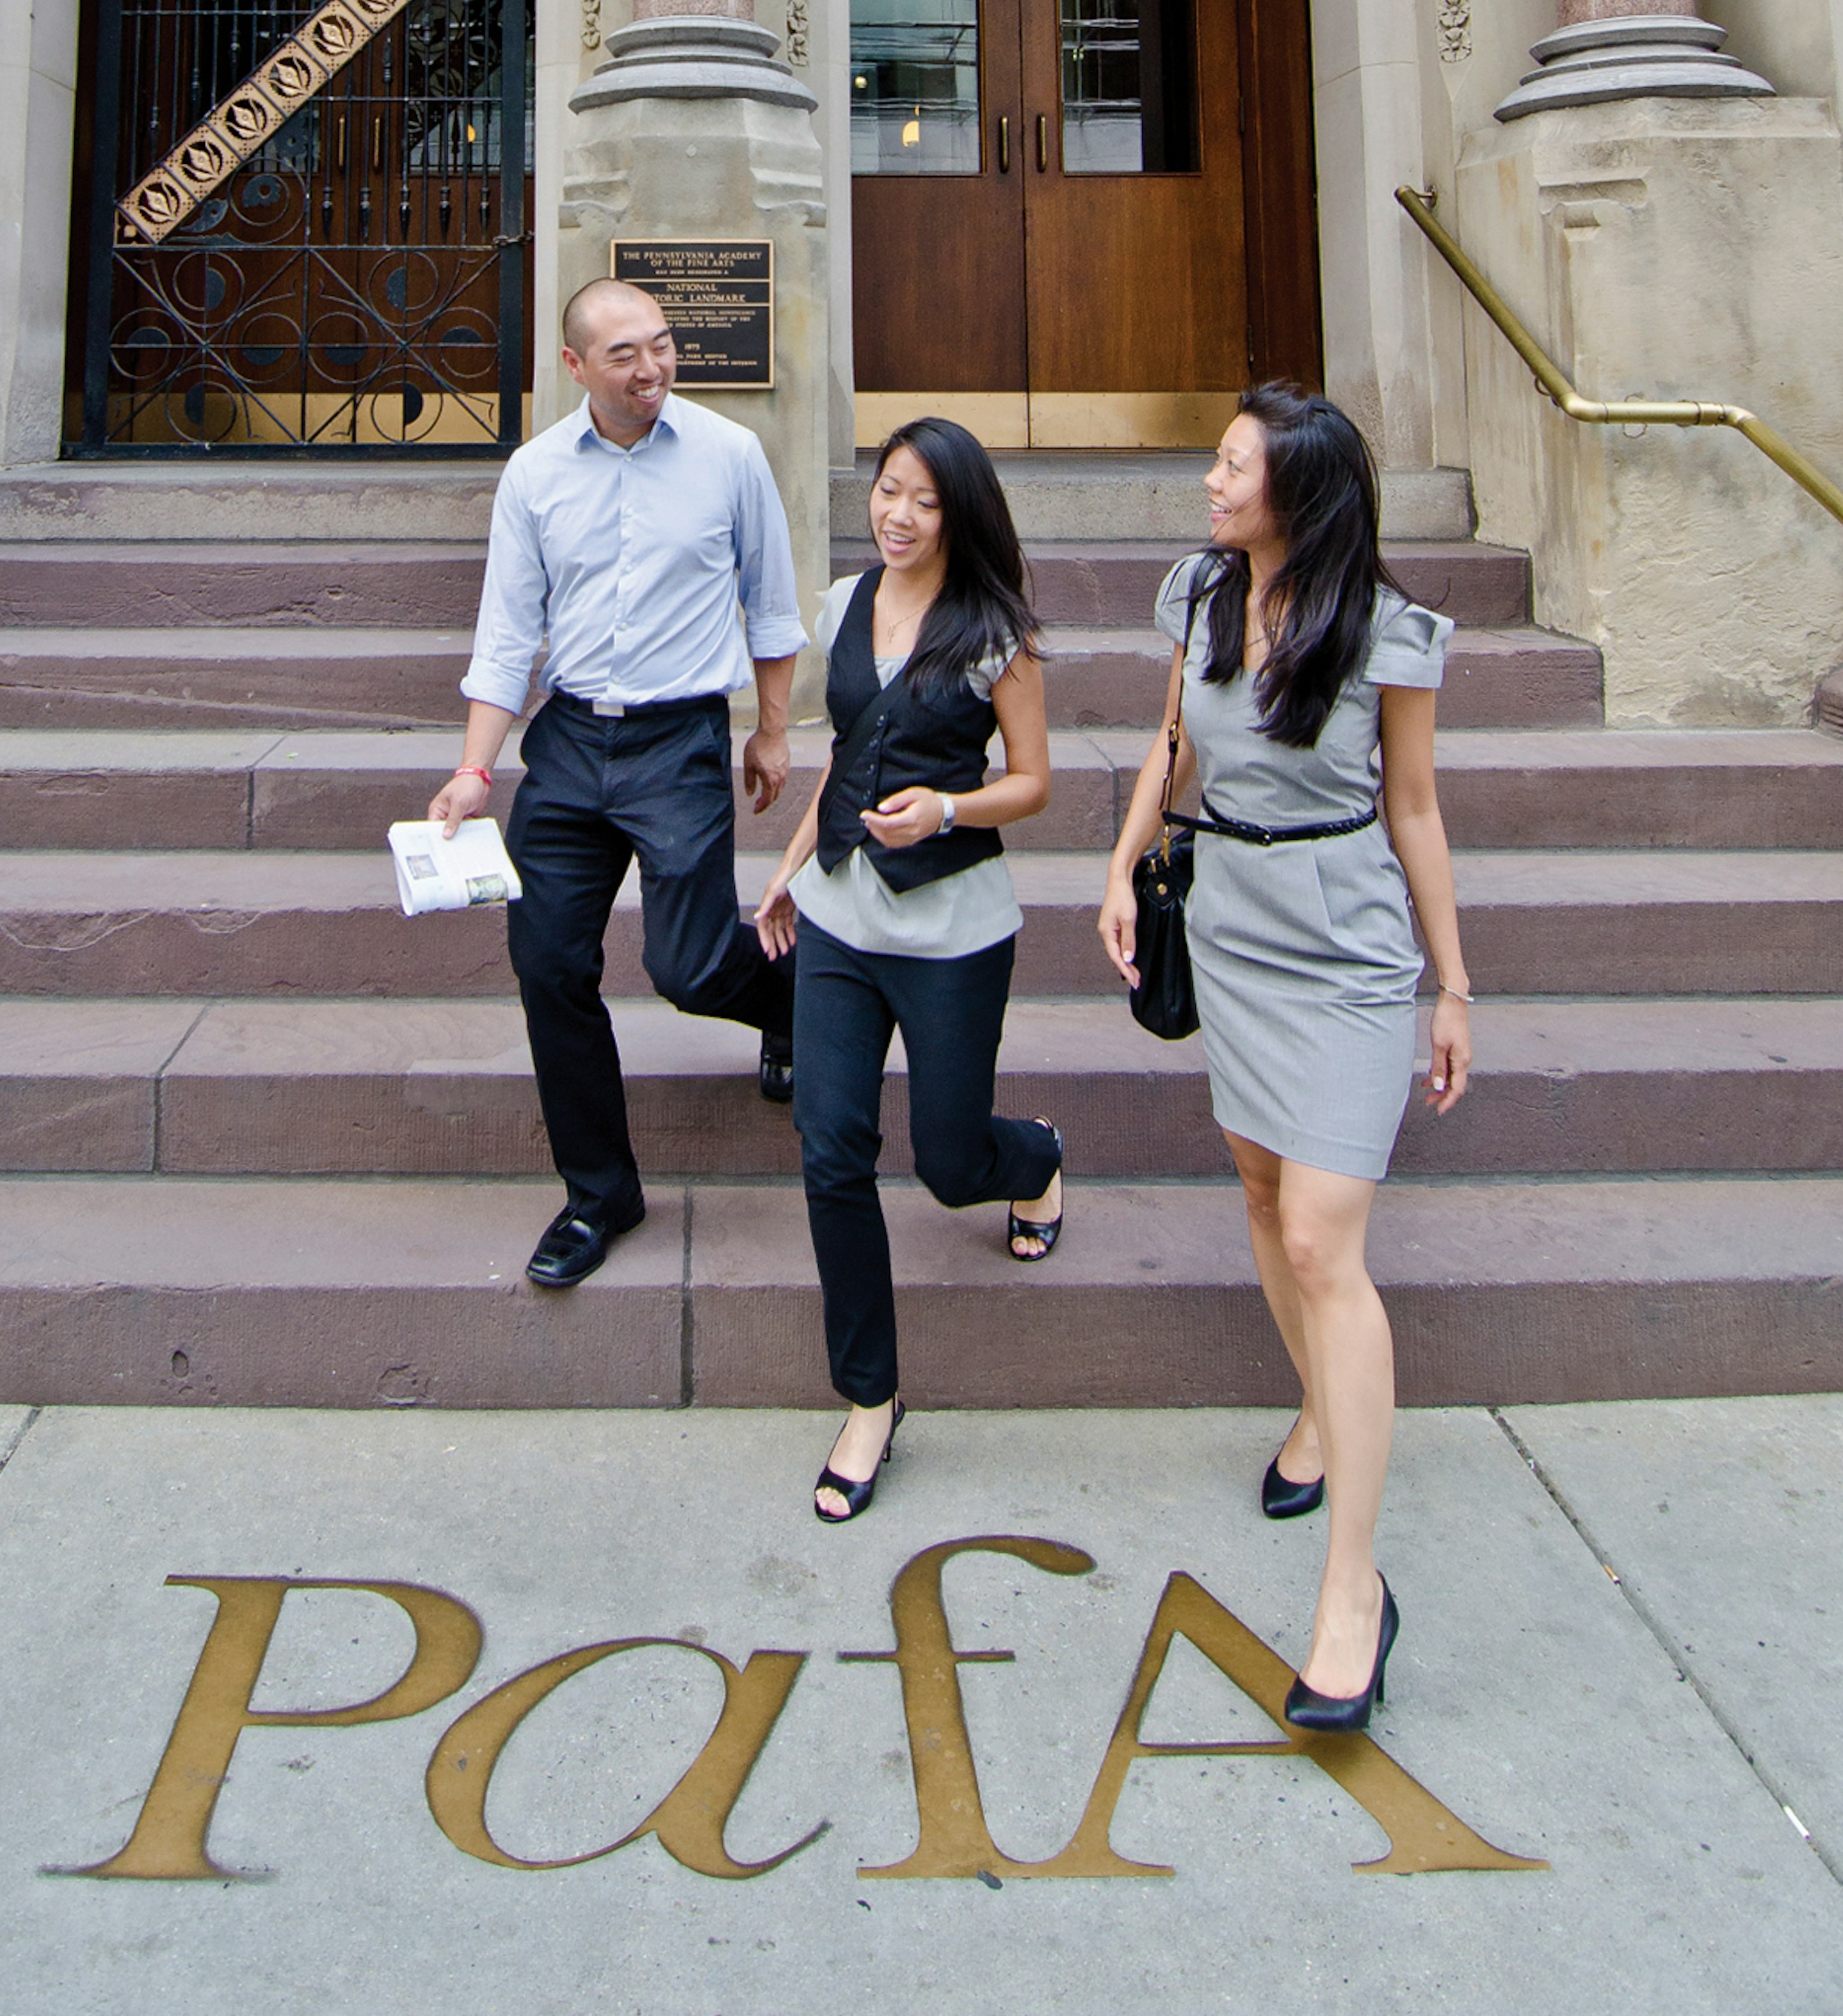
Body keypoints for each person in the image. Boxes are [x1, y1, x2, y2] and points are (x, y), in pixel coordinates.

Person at [1098, 383, 1474, 1733]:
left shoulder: (1388, 633)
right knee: (1262, 1196)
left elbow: (1417, 809)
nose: (1210, 479)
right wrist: (1128, 859)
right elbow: (1173, 741)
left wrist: (1454, 984)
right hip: (1234, 924)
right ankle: (1319, 1410)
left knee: (1324, 1235)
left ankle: (1352, 1591)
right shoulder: (1200, 595)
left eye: (1233, 464)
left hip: (1350, 939)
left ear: (1297, 491)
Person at [431, 279, 805, 1291]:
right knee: (548, 961)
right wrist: (475, 769)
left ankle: (792, 1003)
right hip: (566, 747)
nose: (653, 369)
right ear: (576, 368)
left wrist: (771, 731)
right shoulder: (536, 473)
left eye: (665, 345)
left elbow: (770, 603)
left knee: (687, 967)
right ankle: (601, 1192)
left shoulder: (728, 453)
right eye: (626, 355)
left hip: (679, 742)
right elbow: (508, 633)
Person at [754, 417, 1062, 1522]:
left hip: (951, 932)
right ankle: (871, 1397)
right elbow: (845, 752)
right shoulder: (843, 603)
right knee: (830, 1149)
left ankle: (1030, 1161)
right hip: (841, 920)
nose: (899, 514)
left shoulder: (998, 634)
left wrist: (947, 807)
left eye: (925, 500)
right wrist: (790, 868)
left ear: (960, 513)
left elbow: (1033, 782)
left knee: (946, 1158)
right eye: (889, 491)